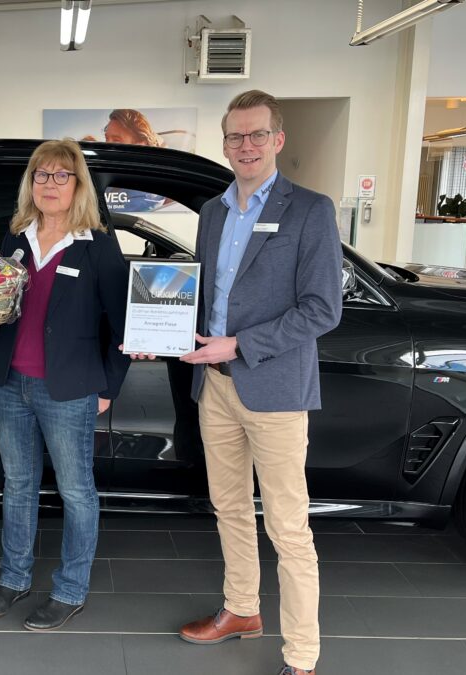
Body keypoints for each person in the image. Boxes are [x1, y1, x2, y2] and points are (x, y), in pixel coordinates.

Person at [175, 90, 342, 675]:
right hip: (215, 386)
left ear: (278, 139)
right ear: (224, 143)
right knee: (229, 508)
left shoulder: (311, 210)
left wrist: (240, 344)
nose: (245, 146)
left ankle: (302, 656)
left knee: (288, 526)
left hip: (273, 388)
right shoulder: (213, 212)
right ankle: (242, 609)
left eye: (256, 135)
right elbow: (206, 296)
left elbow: (322, 309)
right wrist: (164, 331)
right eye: (235, 136)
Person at [0, 139, 131, 632]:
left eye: (61, 175)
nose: (49, 184)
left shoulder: (96, 244)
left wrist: (108, 385)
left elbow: (123, 323)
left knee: (76, 491)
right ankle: (14, 578)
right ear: (31, 183)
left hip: (69, 389)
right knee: (18, 485)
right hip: (12, 383)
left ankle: (69, 590)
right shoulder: (15, 240)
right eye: (41, 174)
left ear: (78, 184)